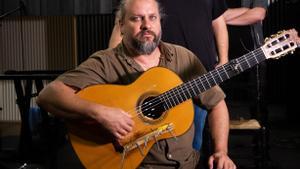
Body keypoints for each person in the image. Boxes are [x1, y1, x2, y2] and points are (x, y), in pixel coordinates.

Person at [37, 0, 236, 168]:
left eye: (152, 18)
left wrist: (221, 151)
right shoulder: (106, 62)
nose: (146, 25)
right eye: (136, 18)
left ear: (160, 22)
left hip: (186, 164)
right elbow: (48, 95)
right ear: (121, 25)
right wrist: (100, 113)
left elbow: (216, 103)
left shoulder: (183, 58)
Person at [109, 0, 230, 155]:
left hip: (199, 77)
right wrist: (115, 67)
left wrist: (224, 59)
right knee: (160, 149)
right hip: (157, 84)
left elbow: (218, 21)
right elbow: (120, 27)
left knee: (195, 146)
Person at [223, 0, 268, 119]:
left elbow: (258, 14)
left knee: (257, 108)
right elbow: (210, 14)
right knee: (219, 104)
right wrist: (245, 12)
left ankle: (259, 136)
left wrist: (221, 19)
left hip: (253, 55)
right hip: (222, 56)